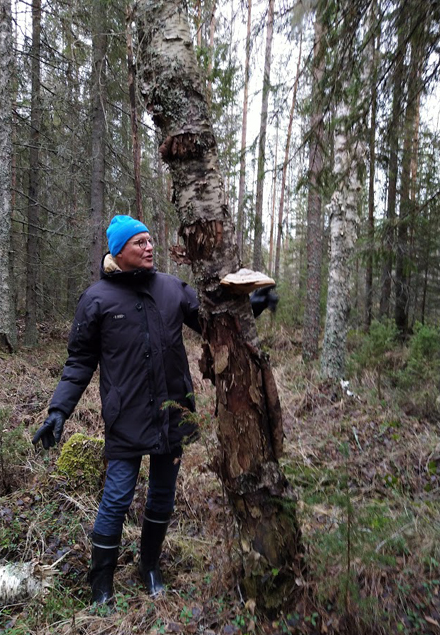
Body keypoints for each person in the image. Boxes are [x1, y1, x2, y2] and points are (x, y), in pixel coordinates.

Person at [32, 214, 277, 605]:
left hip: (172, 410)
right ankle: (102, 586)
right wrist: (58, 410)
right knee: (117, 496)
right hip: (126, 413)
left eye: (149, 241)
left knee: (163, 494)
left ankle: (150, 567)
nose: (149, 247)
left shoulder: (170, 289)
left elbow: (211, 323)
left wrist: (254, 304)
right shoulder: (96, 299)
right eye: (139, 243)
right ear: (119, 251)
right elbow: (79, 362)